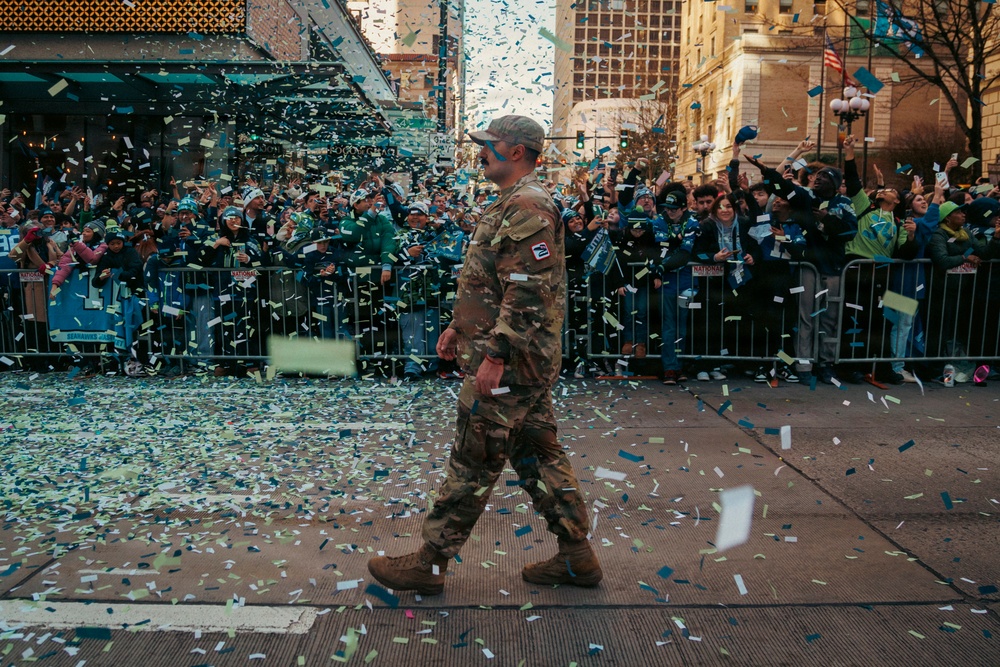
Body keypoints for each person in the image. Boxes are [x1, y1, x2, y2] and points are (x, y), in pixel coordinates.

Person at [368, 114, 600, 595]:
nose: (480, 152)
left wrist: (496, 355)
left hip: (511, 364)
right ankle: (577, 556)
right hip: (518, 361)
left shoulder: (527, 204)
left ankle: (430, 564)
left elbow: (527, 290)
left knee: (472, 461)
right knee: (539, 457)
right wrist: (459, 325)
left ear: (516, 152)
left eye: (489, 145)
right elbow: (490, 280)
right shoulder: (511, 201)